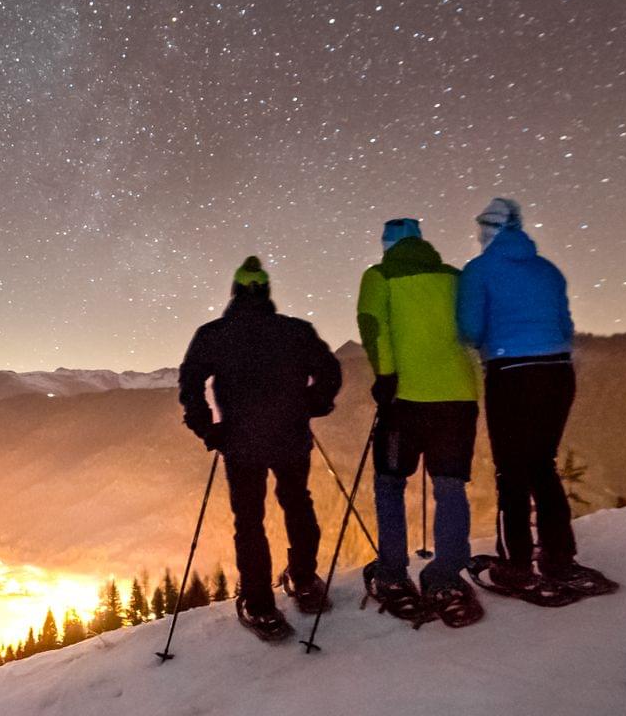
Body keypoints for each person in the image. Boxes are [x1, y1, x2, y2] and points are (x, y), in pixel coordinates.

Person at [178, 257, 342, 640]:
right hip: (290, 435)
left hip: (240, 442)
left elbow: (189, 384)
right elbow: (330, 371)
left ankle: (259, 605)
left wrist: (207, 429)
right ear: (267, 293)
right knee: (298, 502)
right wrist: (312, 404)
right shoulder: (296, 331)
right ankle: (304, 581)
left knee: (248, 521)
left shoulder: (213, 334)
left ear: (234, 293)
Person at [458, 198, 613, 598]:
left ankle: (516, 564)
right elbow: (565, 324)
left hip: (511, 373)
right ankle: (559, 557)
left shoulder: (478, 271)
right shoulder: (548, 270)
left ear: (488, 230)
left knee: (511, 469)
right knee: (542, 464)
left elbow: (470, 328)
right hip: (559, 371)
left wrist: (487, 344)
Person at [356, 218, 484, 627]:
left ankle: (393, 573)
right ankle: (445, 578)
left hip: (405, 401)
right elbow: (472, 329)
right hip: (458, 398)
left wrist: (386, 376)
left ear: (388, 245)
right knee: (449, 486)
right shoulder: (454, 276)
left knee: (390, 483)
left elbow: (373, 326)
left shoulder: (379, 276)